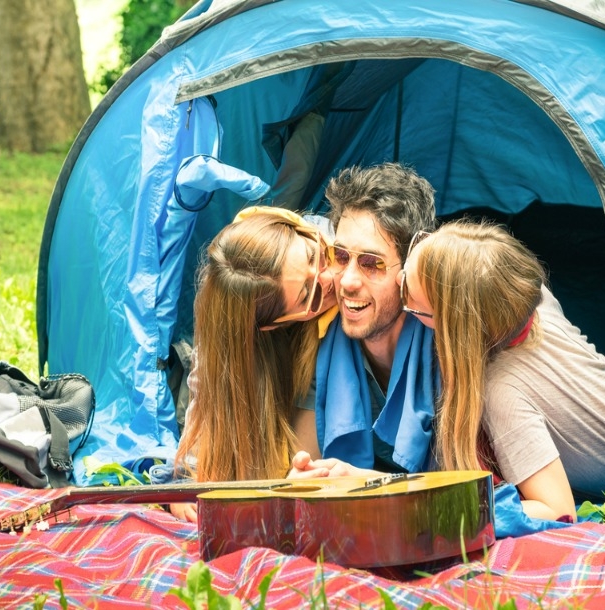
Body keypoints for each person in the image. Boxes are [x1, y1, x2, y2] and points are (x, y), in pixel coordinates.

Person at [398, 218, 605, 521]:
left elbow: (559, 509)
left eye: (410, 298)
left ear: (451, 327)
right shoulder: (532, 297)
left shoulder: (502, 394)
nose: (398, 279)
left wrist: (440, 509)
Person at [170, 206, 338, 521]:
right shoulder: (229, 335)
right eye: (308, 296)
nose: (331, 277)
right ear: (272, 325)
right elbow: (206, 418)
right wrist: (185, 487)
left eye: (313, 256)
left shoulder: (338, 239)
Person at [291, 162, 439, 477]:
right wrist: (304, 479)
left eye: (372, 263)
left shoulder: (445, 341)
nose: (347, 281)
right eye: (341, 257)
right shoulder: (323, 339)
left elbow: (472, 489)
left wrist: (366, 482)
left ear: (411, 268)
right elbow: (309, 466)